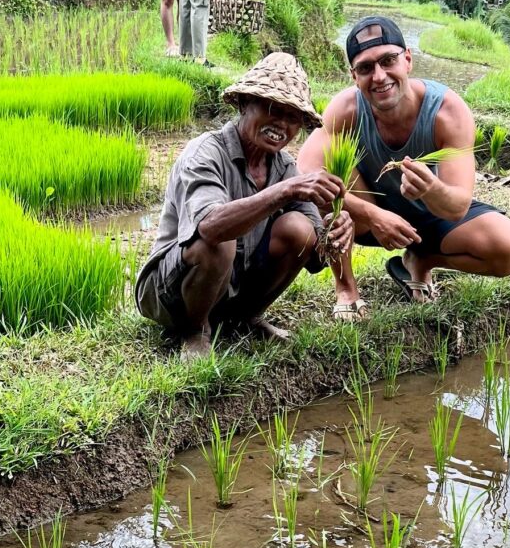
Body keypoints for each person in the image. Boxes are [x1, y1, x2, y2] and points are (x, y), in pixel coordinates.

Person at [298, 16, 510, 320]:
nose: (379, 76)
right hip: (368, 216)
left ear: (408, 60)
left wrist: (432, 190)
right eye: (366, 68)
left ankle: (420, 260)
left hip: (433, 217)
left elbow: (458, 204)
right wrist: (373, 214)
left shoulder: (447, 111)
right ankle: (347, 289)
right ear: (354, 76)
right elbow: (306, 175)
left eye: (388, 60)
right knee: (327, 187)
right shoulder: (346, 110)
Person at [135, 52, 353, 357]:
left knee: (300, 228)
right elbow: (210, 228)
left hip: (230, 287)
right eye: (271, 108)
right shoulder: (205, 153)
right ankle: (195, 332)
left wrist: (334, 233)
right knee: (221, 238)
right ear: (244, 104)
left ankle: (247, 317)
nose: (281, 124)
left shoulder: (284, 167)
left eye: (293, 117)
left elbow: (312, 257)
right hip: (171, 292)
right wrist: (283, 191)